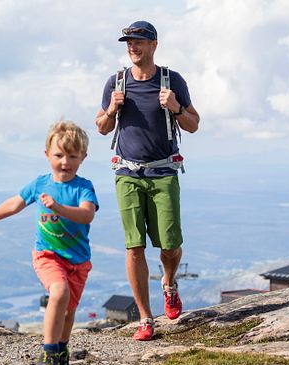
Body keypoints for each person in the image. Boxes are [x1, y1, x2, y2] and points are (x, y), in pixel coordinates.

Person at [95, 21, 200, 341]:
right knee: (134, 245)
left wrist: (176, 106)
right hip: (127, 173)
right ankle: (145, 318)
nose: (132, 46)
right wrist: (112, 108)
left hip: (163, 172)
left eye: (138, 40)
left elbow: (193, 124)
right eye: (128, 41)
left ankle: (169, 282)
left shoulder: (172, 81)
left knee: (170, 245)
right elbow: (101, 127)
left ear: (154, 44)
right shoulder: (116, 81)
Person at [0, 120, 98, 365]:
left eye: (72, 156)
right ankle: (49, 351)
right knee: (59, 292)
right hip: (47, 255)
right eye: (59, 155)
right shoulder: (39, 184)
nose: (65, 162)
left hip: (79, 260)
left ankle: (61, 352)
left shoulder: (83, 187)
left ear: (83, 158)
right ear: (46, 155)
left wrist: (59, 208)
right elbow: (15, 204)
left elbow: (87, 215)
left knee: (69, 310)